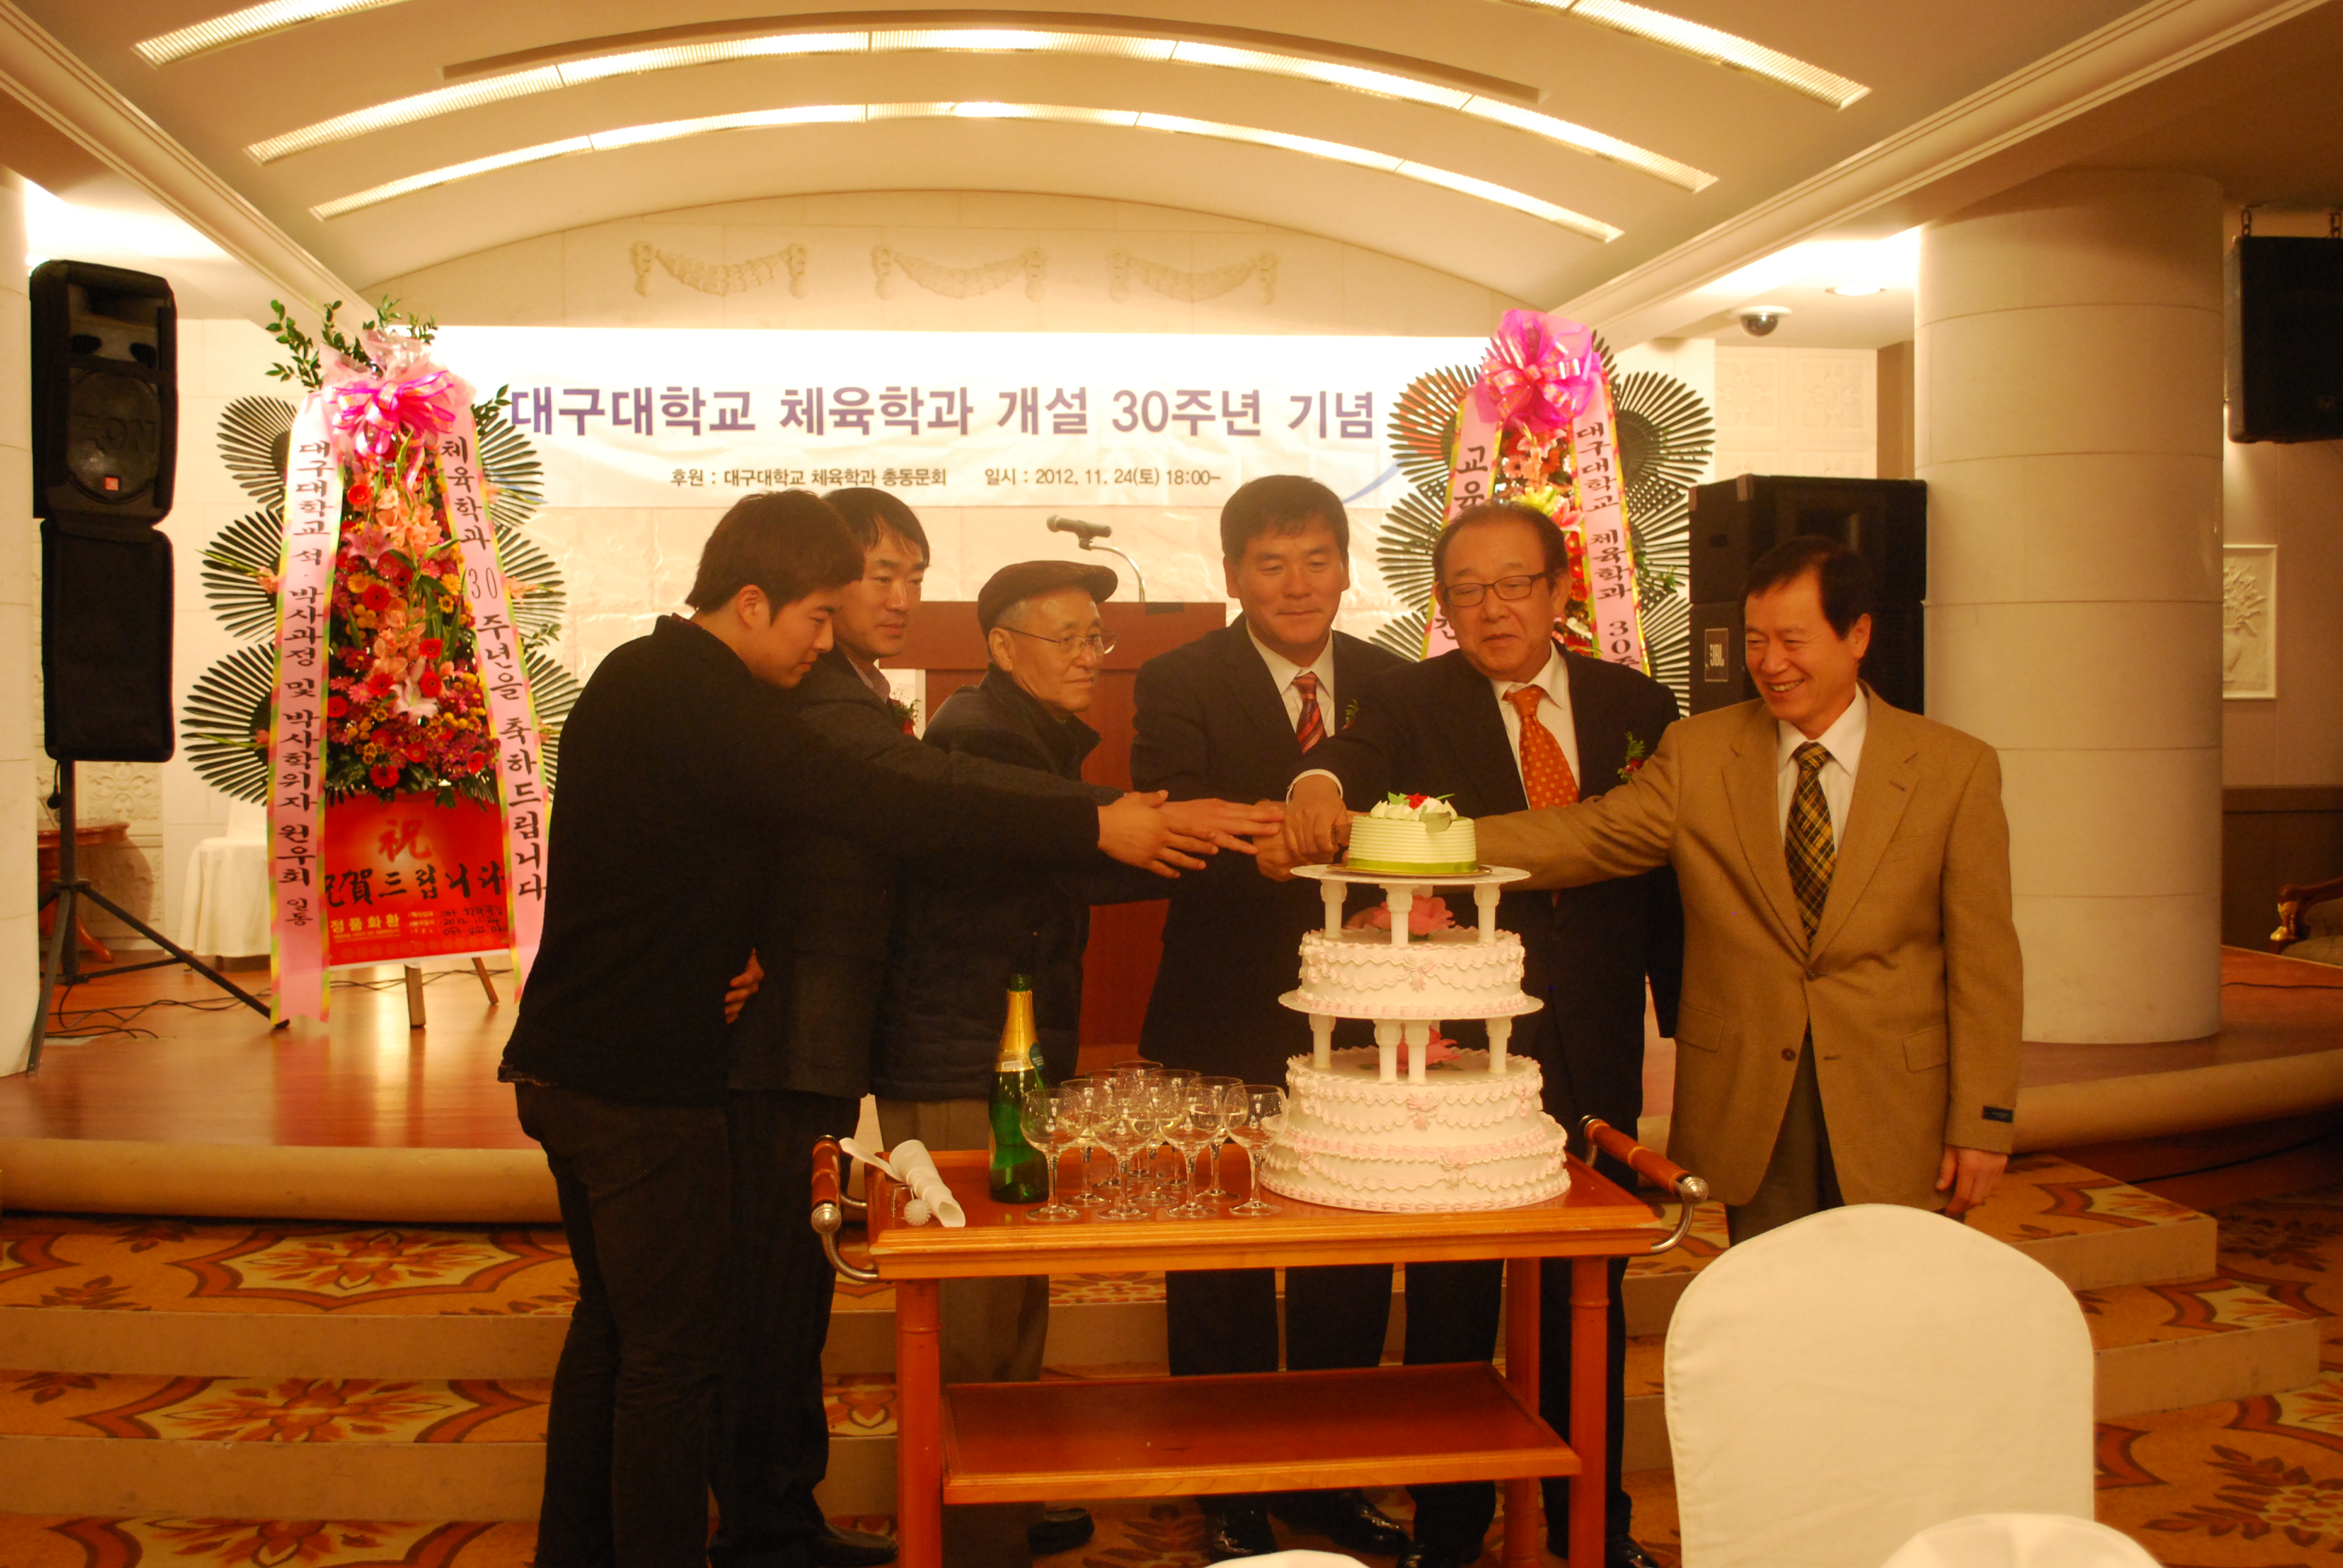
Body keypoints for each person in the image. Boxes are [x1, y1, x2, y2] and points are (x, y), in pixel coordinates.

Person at [500, 491, 1249, 1568]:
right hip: (638, 1076)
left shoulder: (667, 679)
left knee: (623, 1337)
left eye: (906, 576)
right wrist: (1099, 818)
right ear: (753, 602)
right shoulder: (714, 693)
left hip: (605, 1054)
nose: (834, 628)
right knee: (675, 1352)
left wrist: (740, 936)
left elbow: (723, 845)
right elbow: (889, 789)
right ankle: (733, 1538)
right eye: (829, 604)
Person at [1275, 500, 1684, 1568]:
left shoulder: (1638, 704)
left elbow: (1669, 874)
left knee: (1586, 1296)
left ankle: (1596, 1525)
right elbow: (1348, 760)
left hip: (1595, 1033)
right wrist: (1315, 781)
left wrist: (1684, 1012)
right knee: (1453, 1298)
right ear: (1443, 605)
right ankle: (1450, 1530)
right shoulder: (1411, 700)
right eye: (1468, 590)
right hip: (1460, 1047)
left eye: (1514, 585)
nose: (1493, 609)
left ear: (1560, 590)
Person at [870, 558, 1279, 1566]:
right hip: (958, 1055)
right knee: (973, 1314)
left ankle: (1003, 1503)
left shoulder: (1033, 735)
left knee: (1015, 1295)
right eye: (1069, 637)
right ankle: (969, 1536)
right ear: (1002, 647)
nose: (1092, 656)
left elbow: (1072, 863)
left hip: (1007, 1051)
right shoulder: (981, 736)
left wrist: (1190, 837)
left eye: (1098, 636)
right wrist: (1156, 825)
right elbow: (1055, 834)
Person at [1453, 534, 2021, 1240]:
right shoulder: (1699, 754)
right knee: (1766, 1292)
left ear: (1857, 635)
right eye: (1755, 641)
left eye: (1792, 640)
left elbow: (1984, 965)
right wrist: (1421, 844)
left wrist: (1984, 1121)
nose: (1770, 664)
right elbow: (1585, 836)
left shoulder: (1952, 769)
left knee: (1893, 1294)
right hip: (1754, 1098)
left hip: (1897, 1103)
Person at [1127, 474, 1411, 1561]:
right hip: (1222, 1002)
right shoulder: (1179, 678)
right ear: (1233, 574)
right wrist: (1283, 838)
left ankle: (1329, 1475)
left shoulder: (1393, 683)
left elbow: (1416, 812)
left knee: (1347, 1254)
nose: (1297, 585)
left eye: (1316, 560)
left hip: (1364, 1011)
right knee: (1220, 1263)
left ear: (1345, 566)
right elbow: (1173, 819)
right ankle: (1230, 1486)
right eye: (1271, 564)